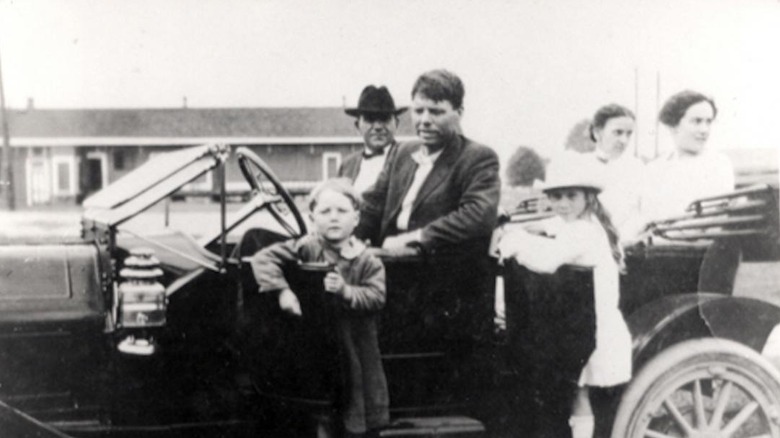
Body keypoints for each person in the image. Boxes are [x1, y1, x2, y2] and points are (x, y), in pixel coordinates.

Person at [355, 69, 500, 342]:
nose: (424, 121)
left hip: (438, 284)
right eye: (418, 110)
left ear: (459, 112)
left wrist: (415, 239)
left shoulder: (477, 157)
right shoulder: (402, 153)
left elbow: (478, 215)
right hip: (389, 269)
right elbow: (372, 206)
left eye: (435, 111)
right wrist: (339, 233)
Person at [498, 152, 632, 438]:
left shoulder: (584, 231)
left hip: (593, 328)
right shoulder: (583, 223)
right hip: (590, 320)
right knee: (576, 395)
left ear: (588, 198)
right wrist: (528, 227)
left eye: (571, 196)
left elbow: (545, 261)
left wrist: (512, 240)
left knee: (578, 396)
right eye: (556, 197)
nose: (563, 204)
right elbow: (553, 225)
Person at [251, 178, 389, 438]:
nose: (333, 218)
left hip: (354, 346)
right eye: (325, 212)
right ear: (312, 217)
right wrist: (283, 291)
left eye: (342, 211)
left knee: (356, 404)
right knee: (319, 407)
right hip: (317, 345)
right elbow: (263, 258)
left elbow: (376, 296)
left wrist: (346, 291)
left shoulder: (367, 260)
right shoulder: (307, 247)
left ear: (356, 218)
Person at [642, 90, 735, 222]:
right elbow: (648, 215)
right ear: (673, 125)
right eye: (697, 121)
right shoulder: (655, 168)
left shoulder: (718, 164)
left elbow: (713, 220)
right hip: (657, 240)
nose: (704, 130)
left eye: (708, 122)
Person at [587, 104, 645, 240]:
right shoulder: (583, 166)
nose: (624, 140)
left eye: (629, 134)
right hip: (590, 239)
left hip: (629, 241)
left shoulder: (637, 167)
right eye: (618, 132)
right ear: (597, 133)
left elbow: (645, 211)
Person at [339, 85, 407, 193]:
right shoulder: (347, 165)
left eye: (385, 118)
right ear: (357, 126)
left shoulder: (408, 160)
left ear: (396, 123)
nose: (378, 127)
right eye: (369, 119)